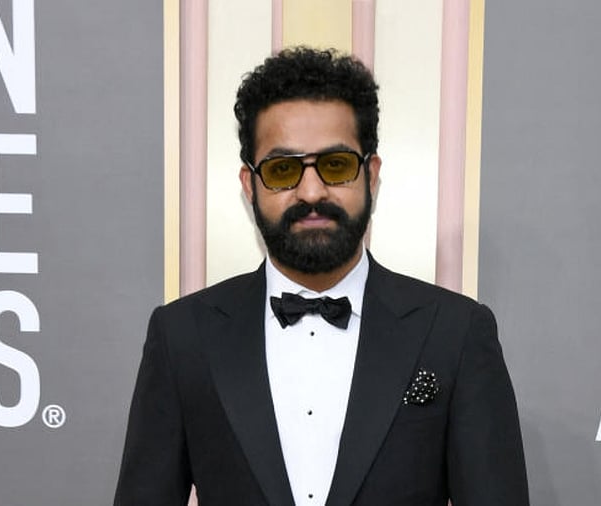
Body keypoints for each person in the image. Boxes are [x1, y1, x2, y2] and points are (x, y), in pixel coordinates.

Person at [115, 47, 529, 506]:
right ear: (249, 185)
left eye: (335, 165)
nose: (311, 191)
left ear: (371, 175)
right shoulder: (182, 337)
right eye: (282, 170)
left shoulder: (455, 333)